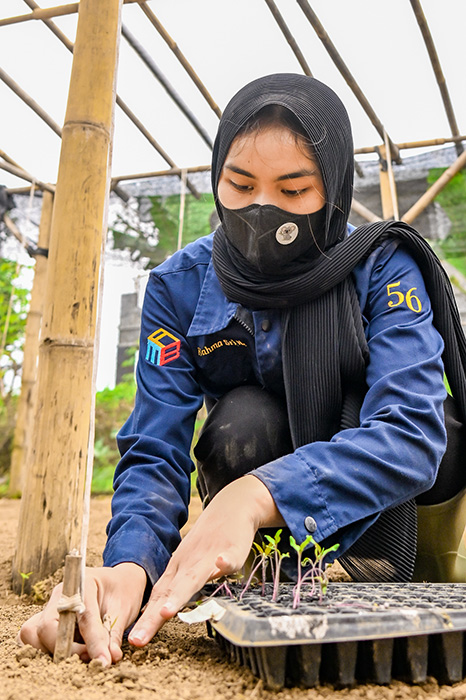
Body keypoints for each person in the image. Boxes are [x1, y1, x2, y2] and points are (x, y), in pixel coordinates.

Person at [19, 73, 466, 665]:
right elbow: (155, 448)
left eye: (293, 189)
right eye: (240, 183)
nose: (262, 208)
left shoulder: (380, 266)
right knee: (239, 422)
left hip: (395, 491)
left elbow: (410, 432)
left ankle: (384, 561)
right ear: (216, 178)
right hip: (271, 498)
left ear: (331, 190)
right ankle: (272, 575)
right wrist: (128, 565)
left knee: (418, 434)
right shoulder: (179, 286)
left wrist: (257, 495)